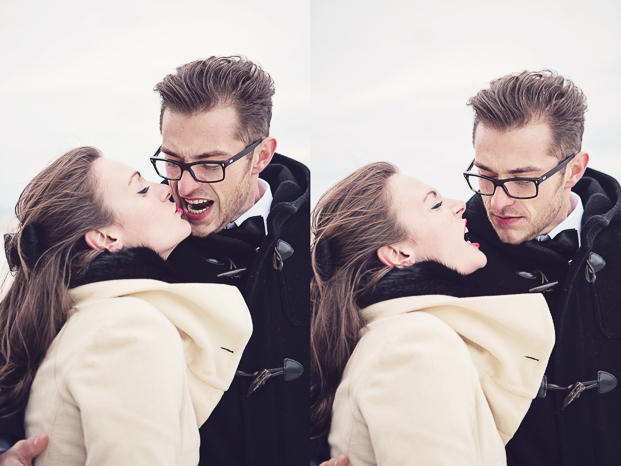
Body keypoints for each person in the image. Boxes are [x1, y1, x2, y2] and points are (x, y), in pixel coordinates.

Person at [0, 56, 309, 466]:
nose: (183, 185)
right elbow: (26, 364)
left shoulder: (316, 235)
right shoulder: (145, 246)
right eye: (172, 161)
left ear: (261, 157)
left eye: (210, 164)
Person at [0, 147, 252, 465]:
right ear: (105, 236)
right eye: (142, 189)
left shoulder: (86, 316)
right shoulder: (127, 329)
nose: (166, 190)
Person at [310, 162, 555, 465]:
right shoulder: (413, 345)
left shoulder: (393, 335)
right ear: (399, 253)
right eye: (435, 204)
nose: (459, 205)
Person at [461, 70, 621, 466]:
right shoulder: (451, 250)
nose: (497, 202)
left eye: (523, 180)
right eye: (485, 175)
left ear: (574, 170)